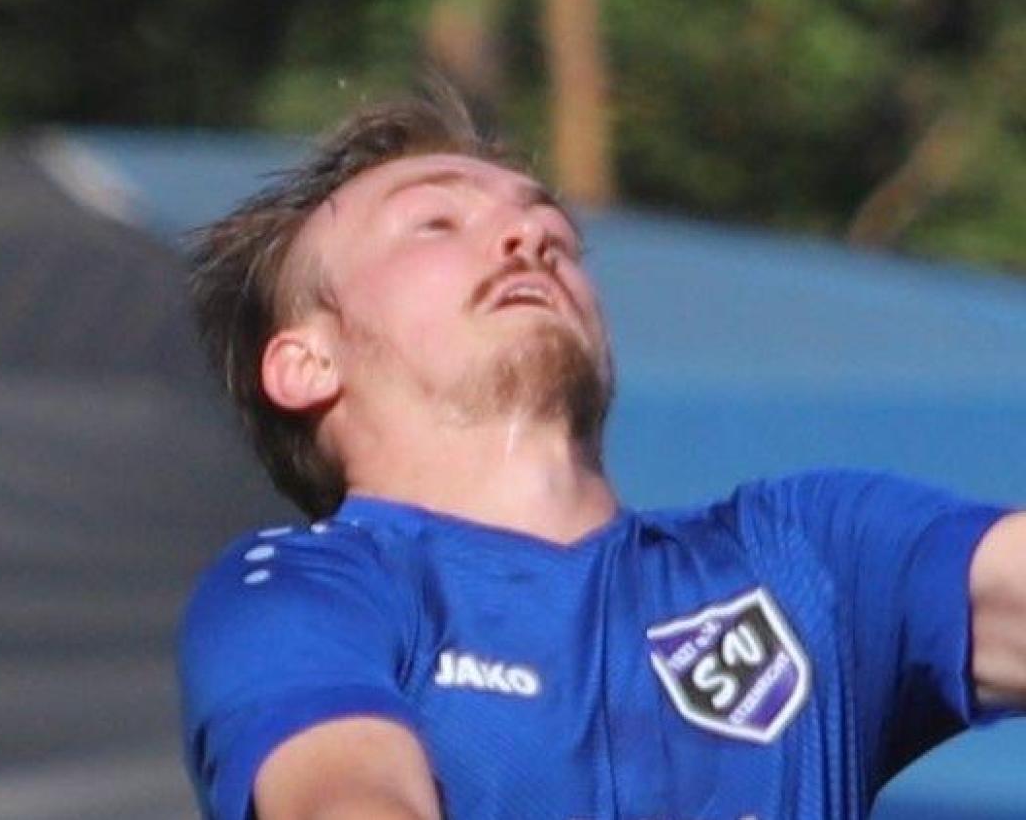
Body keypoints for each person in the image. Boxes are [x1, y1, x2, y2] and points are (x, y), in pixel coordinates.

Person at [178, 88, 1026, 820]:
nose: (529, 238)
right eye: (437, 222)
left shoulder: (809, 551)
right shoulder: (301, 591)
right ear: (304, 363)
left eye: (551, 227)